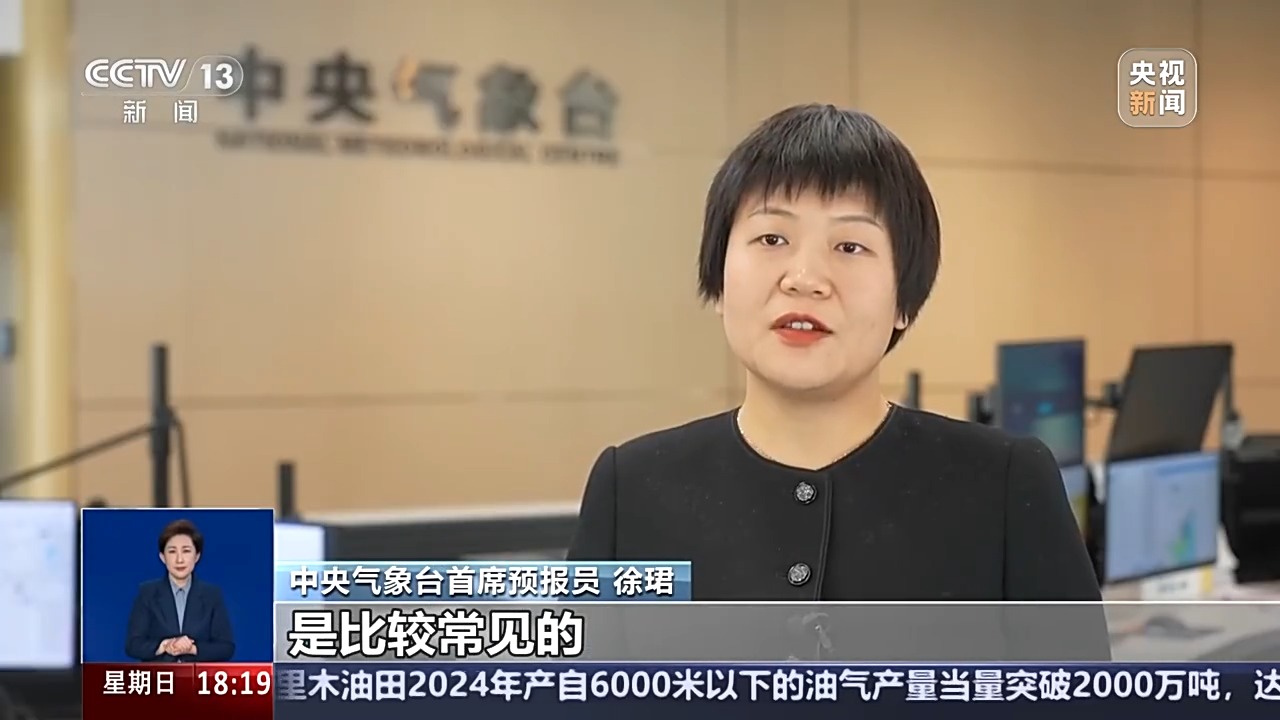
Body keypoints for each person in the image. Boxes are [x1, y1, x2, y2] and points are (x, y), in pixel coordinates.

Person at [567, 103, 1104, 614]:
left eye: (850, 247)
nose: (804, 278)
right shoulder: (631, 491)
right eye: (771, 237)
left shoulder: (1005, 487)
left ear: (904, 301)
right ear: (719, 282)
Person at [125, 519, 236, 662]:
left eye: (186, 551)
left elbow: (226, 647)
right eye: (172, 551)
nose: (179, 559)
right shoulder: (147, 593)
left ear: (197, 556)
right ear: (162, 557)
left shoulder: (212, 595)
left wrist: (192, 649)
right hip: (160, 675)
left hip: (198, 675)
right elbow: (133, 645)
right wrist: (164, 645)